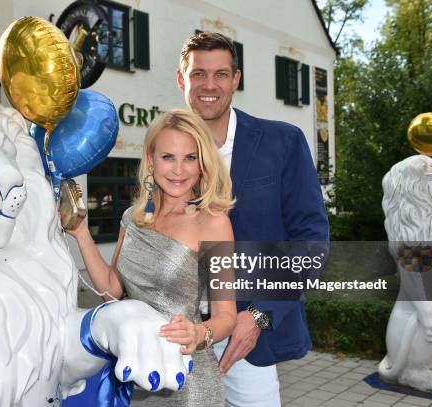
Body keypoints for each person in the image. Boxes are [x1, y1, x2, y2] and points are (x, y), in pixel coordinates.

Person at [177, 32, 329, 406]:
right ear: (182, 79)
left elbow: (310, 239)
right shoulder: (167, 150)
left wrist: (260, 314)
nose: (209, 85)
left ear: (236, 79)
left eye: (221, 74)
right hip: (177, 331)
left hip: (247, 329)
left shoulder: (283, 142)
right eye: (198, 74)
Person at [67, 109, 237, 406]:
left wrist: (198, 333)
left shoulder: (214, 223)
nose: (178, 170)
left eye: (190, 158)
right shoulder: (132, 219)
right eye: (168, 157)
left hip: (190, 378)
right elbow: (112, 290)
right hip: (139, 377)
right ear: (150, 159)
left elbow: (226, 317)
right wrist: (81, 233)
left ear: (202, 164)